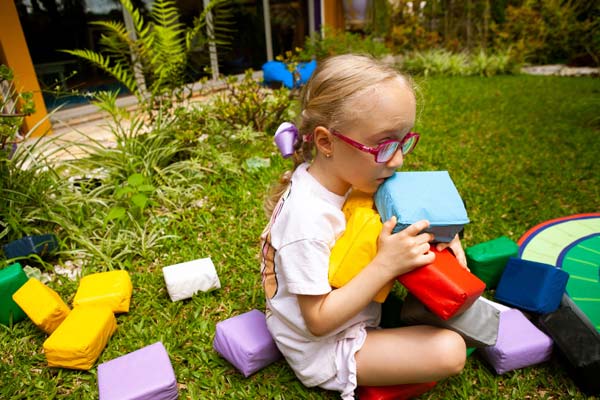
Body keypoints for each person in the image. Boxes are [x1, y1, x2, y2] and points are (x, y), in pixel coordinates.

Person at [260, 54, 467, 399]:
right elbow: (318, 322)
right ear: (326, 142)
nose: (399, 159)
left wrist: (444, 235)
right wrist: (385, 265)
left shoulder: (354, 177)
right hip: (327, 345)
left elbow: (399, 215)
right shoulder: (307, 221)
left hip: (356, 311)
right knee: (451, 350)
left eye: (404, 141)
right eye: (385, 145)